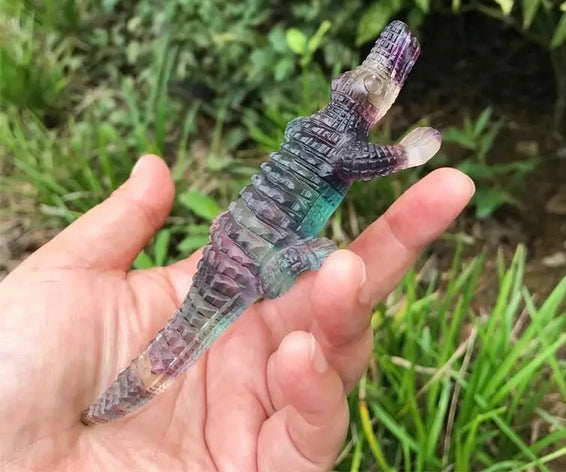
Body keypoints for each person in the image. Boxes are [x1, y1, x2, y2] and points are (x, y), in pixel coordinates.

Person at [0, 155, 473, 471]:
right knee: (315, 266)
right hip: (250, 257)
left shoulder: (317, 131)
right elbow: (360, 162)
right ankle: (106, 407)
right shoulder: (335, 142)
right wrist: (402, 154)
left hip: (241, 242)